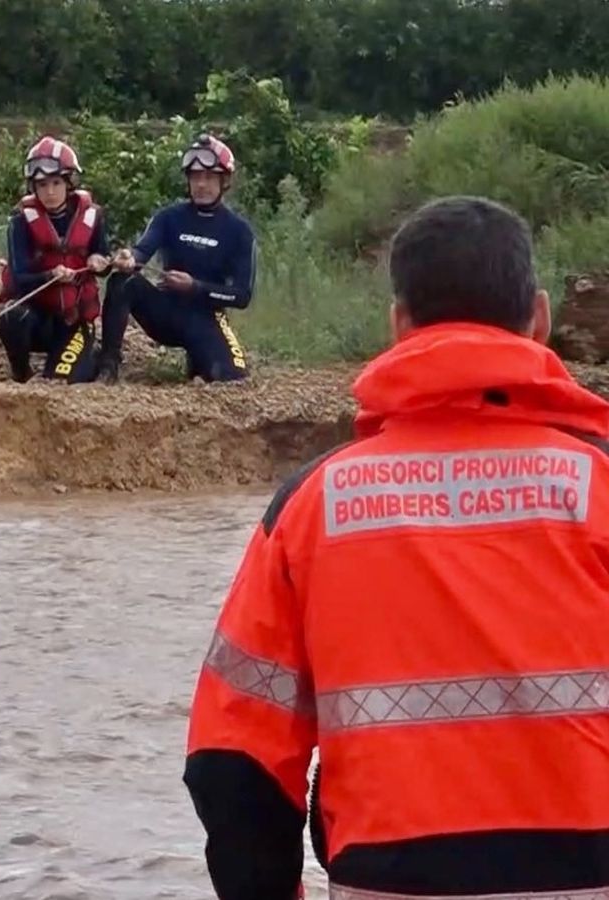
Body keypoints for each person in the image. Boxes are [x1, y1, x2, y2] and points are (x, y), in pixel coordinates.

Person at [184, 195, 609, 899]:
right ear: (539, 319)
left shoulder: (312, 508)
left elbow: (235, 761)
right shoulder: (598, 486)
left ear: (398, 327)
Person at [102, 133, 255, 384]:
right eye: (195, 177)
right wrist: (129, 257)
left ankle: (198, 360)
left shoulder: (240, 231)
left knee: (232, 378)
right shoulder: (168, 217)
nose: (201, 185)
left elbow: (241, 295)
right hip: (166, 312)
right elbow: (142, 251)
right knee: (122, 281)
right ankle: (108, 364)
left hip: (206, 316)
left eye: (209, 177)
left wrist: (195, 286)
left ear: (224, 181)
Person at [0, 135, 112, 383]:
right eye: (41, 184)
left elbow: (102, 257)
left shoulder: (93, 216)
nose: (49, 192)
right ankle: (21, 372)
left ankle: (94, 357)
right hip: (37, 318)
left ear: (70, 182)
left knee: (61, 380)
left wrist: (100, 262)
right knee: (11, 315)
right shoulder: (20, 222)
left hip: (74, 318)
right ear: (32, 187)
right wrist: (50, 276)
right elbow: (18, 280)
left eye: (56, 183)